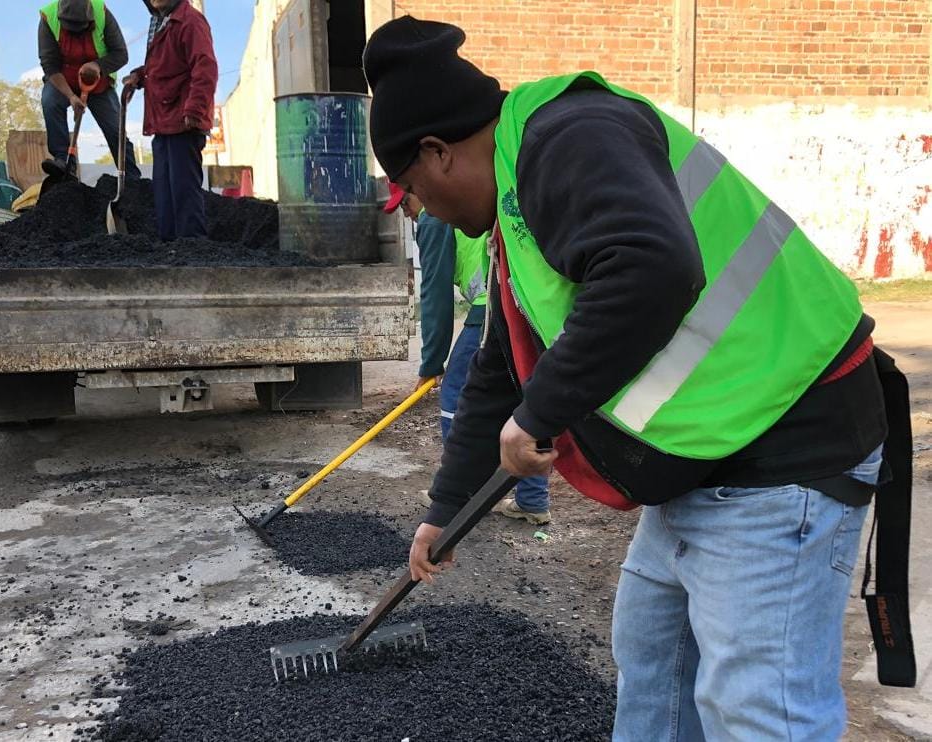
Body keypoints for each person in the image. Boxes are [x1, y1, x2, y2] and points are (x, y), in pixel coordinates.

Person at [364, 17, 905, 741]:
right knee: (654, 670)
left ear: (438, 152)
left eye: (414, 190)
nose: (422, 209)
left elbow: (653, 266)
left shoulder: (568, 139)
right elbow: (501, 365)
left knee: (757, 712)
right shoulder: (515, 208)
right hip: (709, 454)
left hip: (785, 451)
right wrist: (444, 509)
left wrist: (541, 415)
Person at [386, 183, 551, 524]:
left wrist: (431, 363)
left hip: (490, 308)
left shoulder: (433, 221)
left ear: (419, 185)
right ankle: (532, 500)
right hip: (525, 305)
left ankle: (462, 497)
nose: (406, 212)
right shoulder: (460, 207)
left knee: (455, 396)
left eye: (405, 202)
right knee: (524, 397)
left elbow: (435, 296)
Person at [124, 0, 217, 241]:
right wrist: (139, 76)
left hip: (184, 123)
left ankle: (192, 246)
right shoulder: (162, 24)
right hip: (163, 123)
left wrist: (195, 110)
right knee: (164, 193)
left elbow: (205, 67)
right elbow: (164, 67)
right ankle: (169, 248)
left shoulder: (190, 21)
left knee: (183, 191)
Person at [38, 0, 140, 178]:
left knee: (115, 129)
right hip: (64, 80)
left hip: (98, 83)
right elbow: (50, 65)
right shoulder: (48, 18)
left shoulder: (102, 14)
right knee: (50, 101)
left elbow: (121, 54)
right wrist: (70, 96)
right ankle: (63, 160)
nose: (75, 31)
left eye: (80, 27)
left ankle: (131, 177)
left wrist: (97, 65)